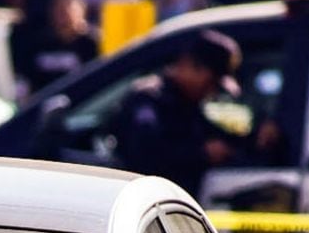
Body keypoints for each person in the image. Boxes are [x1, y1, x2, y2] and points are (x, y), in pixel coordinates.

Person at [112, 30, 271, 197]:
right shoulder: (149, 98)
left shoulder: (190, 102)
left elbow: (223, 134)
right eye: (210, 82)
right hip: (144, 200)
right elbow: (145, 153)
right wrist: (200, 153)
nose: (211, 91)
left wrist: (259, 131)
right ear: (188, 65)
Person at [11, 0, 100, 99]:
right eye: (58, 7)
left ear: (82, 9)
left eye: (68, 6)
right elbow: (26, 82)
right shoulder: (38, 44)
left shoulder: (92, 44)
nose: (63, 13)